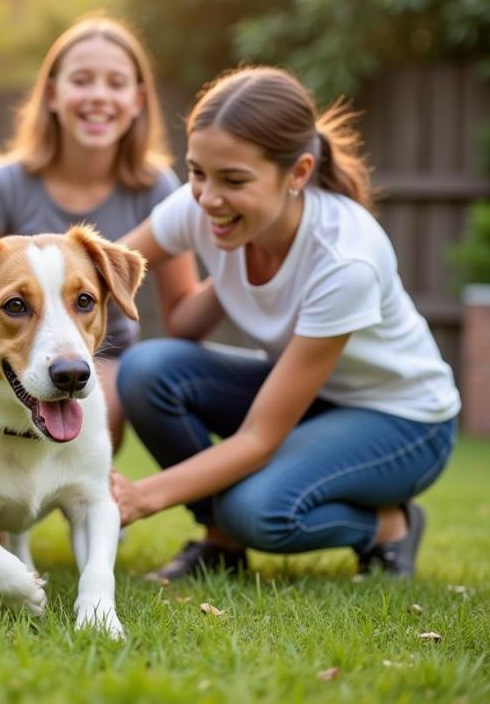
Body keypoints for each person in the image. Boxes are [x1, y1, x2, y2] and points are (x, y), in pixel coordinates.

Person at [110, 65, 459, 580]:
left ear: (297, 173)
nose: (207, 197)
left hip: (403, 420)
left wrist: (139, 498)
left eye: (233, 180)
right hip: (312, 397)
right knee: (147, 369)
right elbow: (104, 278)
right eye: (196, 172)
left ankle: (388, 527)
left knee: (258, 510)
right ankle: (220, 541)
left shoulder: (345, 259)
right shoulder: (208, 209)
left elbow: (259, 438)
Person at [0, 14, 202, 448]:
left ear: (137, 100)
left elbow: (183, 316)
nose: (98, 95)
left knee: (95, 408)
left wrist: (241, 278)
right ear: (52, 95)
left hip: (107, 354)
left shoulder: (157, 187)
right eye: (82, 80)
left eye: (115, 83)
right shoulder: (5, 182)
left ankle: (100, 509)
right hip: (19, 352)